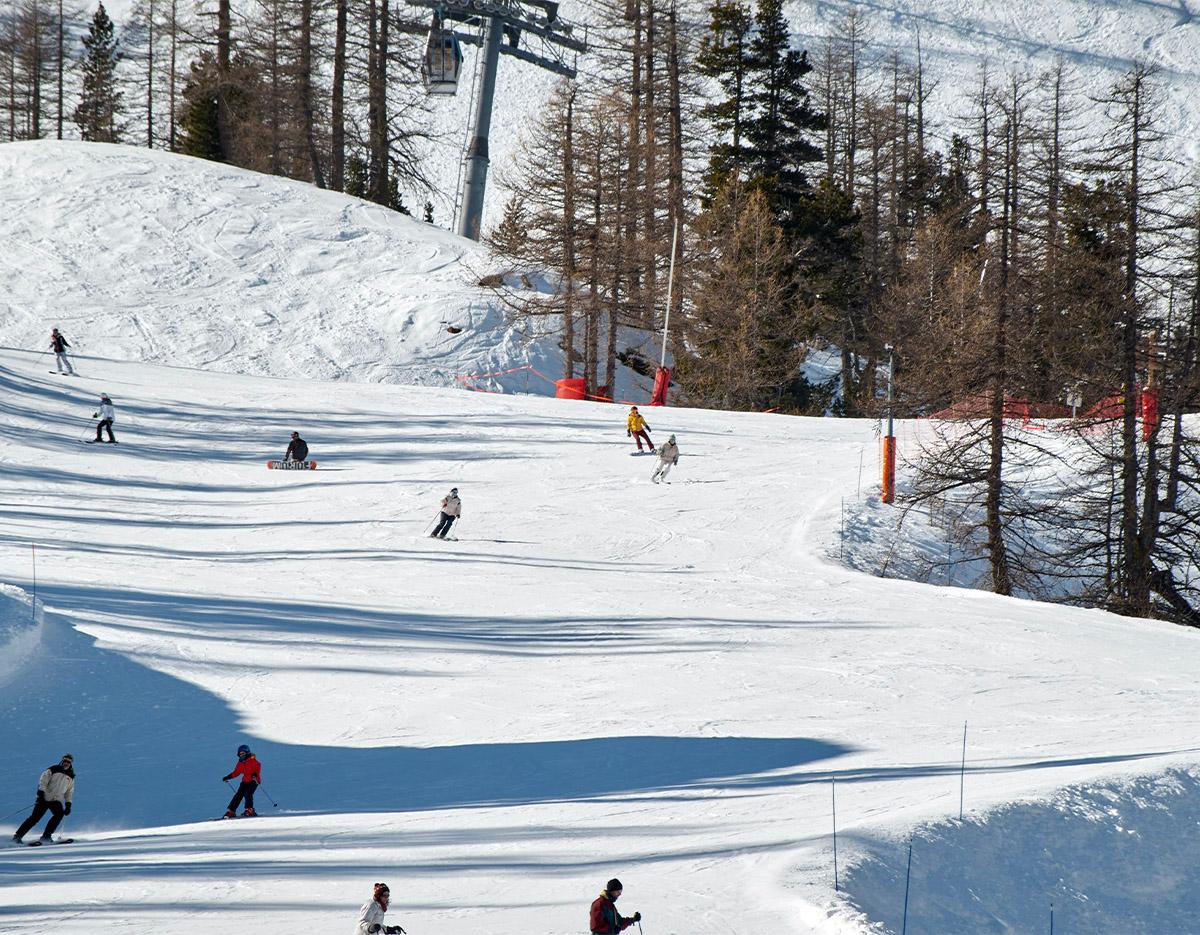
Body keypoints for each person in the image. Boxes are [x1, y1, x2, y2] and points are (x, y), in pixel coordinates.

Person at [12, 754, 75, 844]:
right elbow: (43, 780)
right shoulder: (53, 769)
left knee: (59, 814)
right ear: (62, 761)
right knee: (34, 818)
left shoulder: (71, 776)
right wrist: (41, 793)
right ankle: (17, 837)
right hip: (44, 798)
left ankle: (46, 836)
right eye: (65, 761)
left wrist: (68, 804)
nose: (66, 763)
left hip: (55, 800)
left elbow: (69, 791)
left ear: (71, 764)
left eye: (68, 762)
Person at [221, 744, 262, 818]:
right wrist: (228, 777)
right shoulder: (240, 763)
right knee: (238, 795)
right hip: (245, 781)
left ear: (247, 752)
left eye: (243, 753)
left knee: (248, 793)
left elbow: (258, 767)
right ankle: (231, 811)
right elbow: (236, 772)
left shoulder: (253, 761)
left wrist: (255, 775)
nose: (241, 755)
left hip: (253, 781)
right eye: (240, 754)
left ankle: (249, 809)